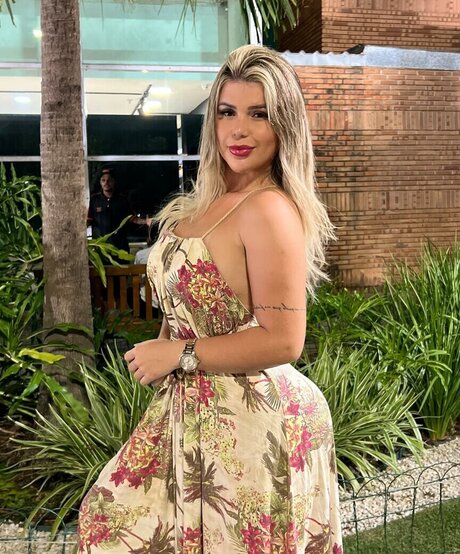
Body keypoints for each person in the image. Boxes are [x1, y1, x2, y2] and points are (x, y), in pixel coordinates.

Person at [78, 45, 342, 553]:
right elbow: (181, 308)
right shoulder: (203, 205)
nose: (239, 130)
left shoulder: (268, 209)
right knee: (105, 522)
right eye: (227, 112)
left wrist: (177, 354)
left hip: (252, 423)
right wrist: (168, 350)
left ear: (284, 124)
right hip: (190, 410)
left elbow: (285, 341)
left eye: (259, 114)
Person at [88, 168, 152, 252]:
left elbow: (133, 219)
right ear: (100, 182)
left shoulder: (122, 200)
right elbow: (88, 220)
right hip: (101, 248)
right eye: (103, 180)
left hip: (120, 247)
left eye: (109, 180)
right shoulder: (94, 200)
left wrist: (146, 221)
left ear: (114, 182)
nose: (106, 183)